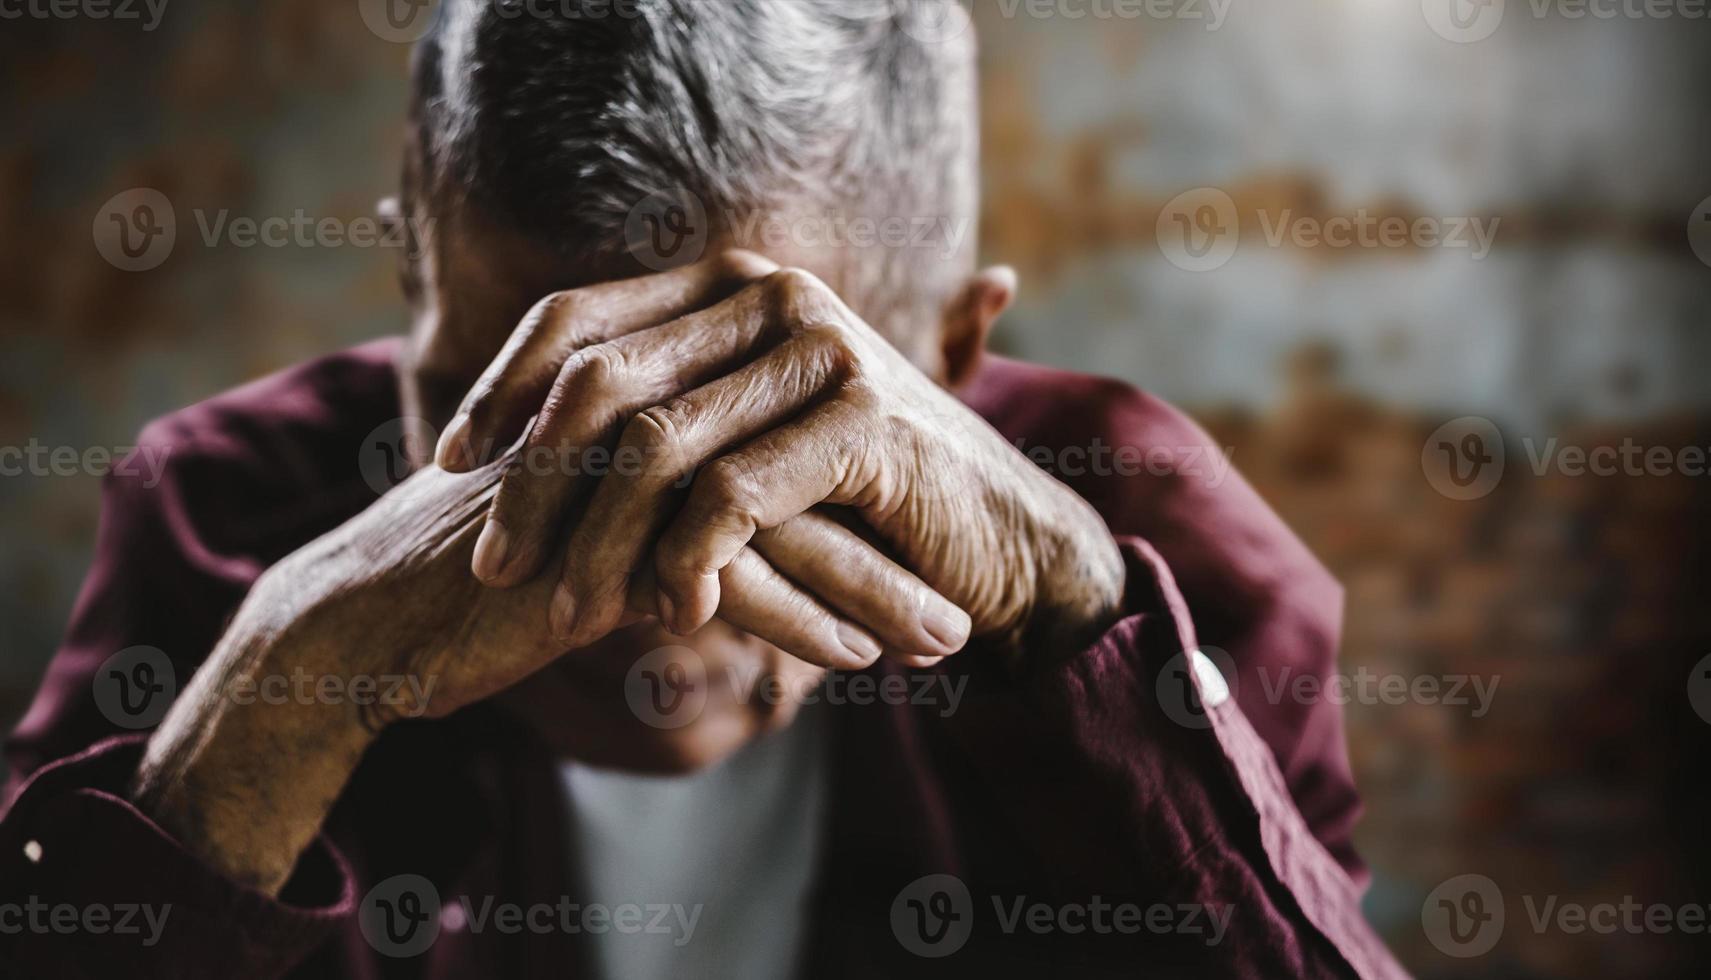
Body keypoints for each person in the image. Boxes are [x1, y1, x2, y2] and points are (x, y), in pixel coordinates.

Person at [0, 1, 1405, 977]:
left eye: (762, 424)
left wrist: (1074, 628)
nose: (637, 595)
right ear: (409, 289)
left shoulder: (1160, 561)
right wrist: (264, 709)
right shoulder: (226, 520)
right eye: (525, 427)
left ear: (954, 357)